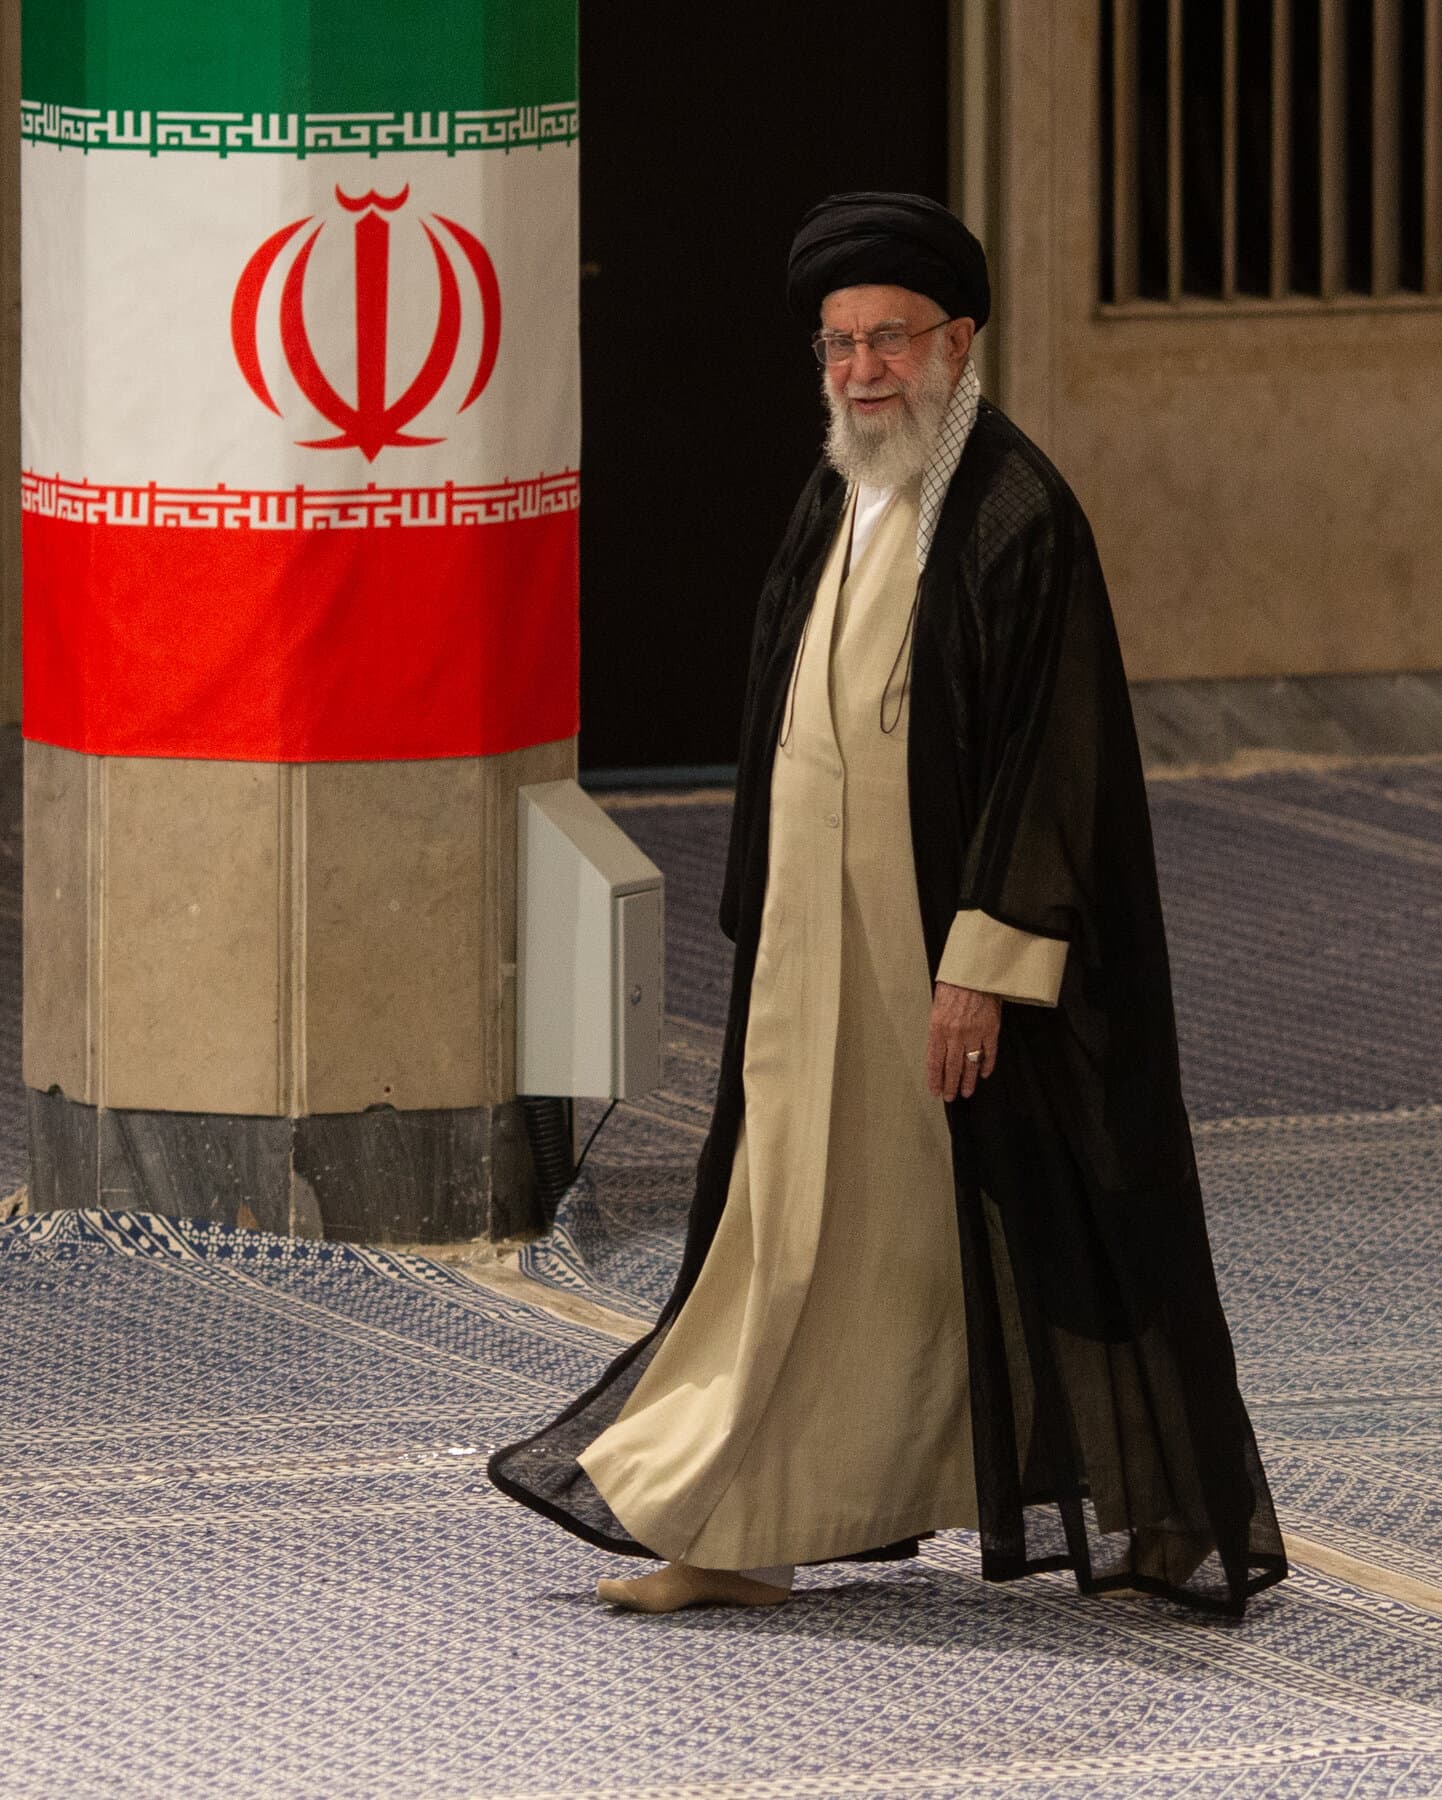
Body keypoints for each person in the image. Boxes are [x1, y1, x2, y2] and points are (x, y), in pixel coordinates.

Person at [489, 192, 1287, 1616]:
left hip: (952, 952)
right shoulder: (839, 486)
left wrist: (979, 969)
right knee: (791, 1224)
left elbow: (1057, 761)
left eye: (893, 341)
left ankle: (1157, 1504)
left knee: (1044, 1221)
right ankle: (739, 1522)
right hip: (817, 947)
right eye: (840, 344)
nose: (863, 371)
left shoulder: (1017, 511)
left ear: (958, 341)